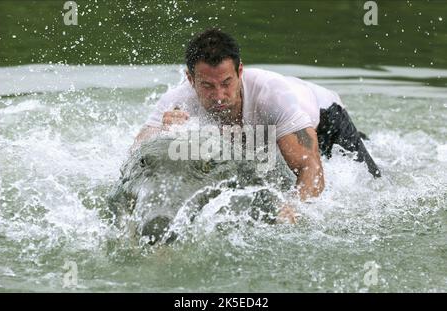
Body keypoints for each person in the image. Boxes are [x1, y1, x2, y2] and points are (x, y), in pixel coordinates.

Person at [133, 29, 381, 223]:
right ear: (190, 79)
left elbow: (309, 168)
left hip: (325, 119)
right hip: (266, 134)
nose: (219, 95)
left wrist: (294, 209)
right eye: (208, 86)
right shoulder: (178, 101)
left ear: (240, 71)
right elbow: (138, 150)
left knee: (371, 187)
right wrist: (161, 134)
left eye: (226, 82)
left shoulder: (271, 95)